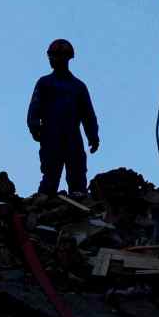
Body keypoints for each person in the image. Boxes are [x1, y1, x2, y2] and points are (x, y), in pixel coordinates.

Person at [26, 38, 99, 199]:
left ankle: (78, 206)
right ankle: (43, 205)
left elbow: (88, 114)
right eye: (51, 56)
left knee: (77, 178)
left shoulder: (78, 87)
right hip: (51, 136)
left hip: (72, 136)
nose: (52, 60)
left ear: (66, 58)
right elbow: (34, 108)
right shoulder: (44, 83)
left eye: (55, 56)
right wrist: (34, 127)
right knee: (50, 177)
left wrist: (93, 136)